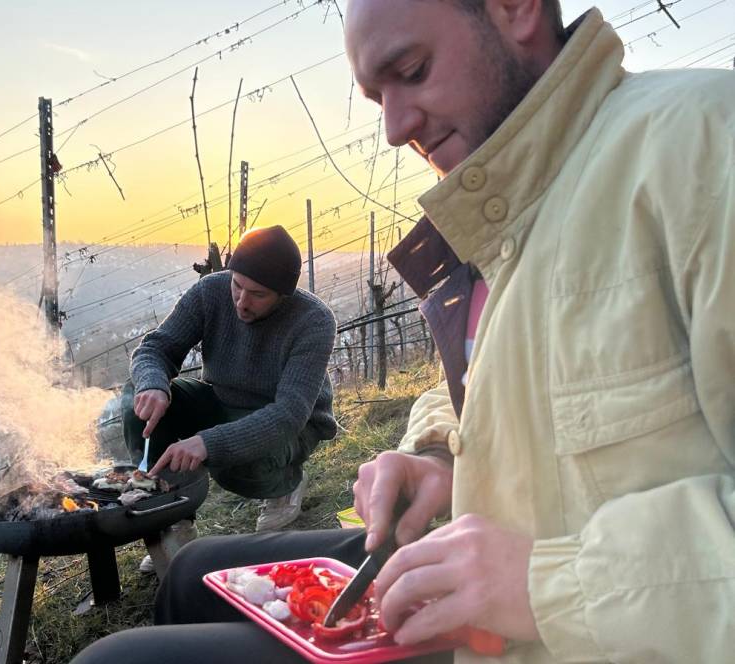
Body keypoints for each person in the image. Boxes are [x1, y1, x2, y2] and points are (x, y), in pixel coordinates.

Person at [73, 0, 735, 661]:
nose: (393, 129)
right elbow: (497, 382)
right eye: (375, 95)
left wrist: (548, 585)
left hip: (569, 629)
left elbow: (287, 416)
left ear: (514, 8)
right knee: (189, 575)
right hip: (468, 570)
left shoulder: (704, 148)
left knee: (112, 660)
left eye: (413, 70)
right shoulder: (509, 213)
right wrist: (438, 457)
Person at [122, 224, 337, 560]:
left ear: (284, 294)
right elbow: (156, 348)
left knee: (238, 464)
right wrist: (154, 385)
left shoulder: (314, 321)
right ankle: (173, 519)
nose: (241, 301)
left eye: (258, 294)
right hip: (223, 400)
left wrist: (209, 443)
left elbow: (289, 415)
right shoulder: (210, 292)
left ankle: (284, 487)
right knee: (138, 401)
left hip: (288, 422)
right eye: (237, 285)